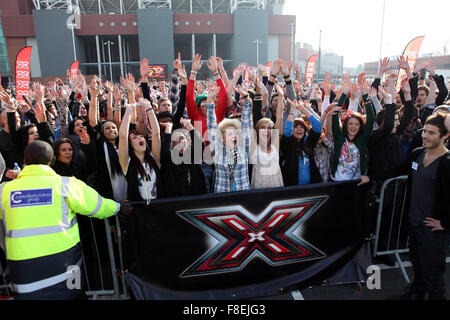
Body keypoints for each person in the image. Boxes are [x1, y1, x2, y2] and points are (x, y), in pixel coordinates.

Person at [0, 140, 132, 300]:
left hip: (24, 275)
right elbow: (98, 206)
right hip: (67, 266)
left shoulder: (4, 191)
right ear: (52, 160)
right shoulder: (66, 185)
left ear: (25, 161)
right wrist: (118, 207)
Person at [385, 112, 450, 300]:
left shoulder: (447, 163)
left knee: (434, 277)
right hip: (413, 224)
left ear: (445, 136)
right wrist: (370, 176)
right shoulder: (417, 154)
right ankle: (417, 292)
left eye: (431, 133)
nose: (425, 136)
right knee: (417, 265)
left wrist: (445, 223)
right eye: (424, 131)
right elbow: (395, 171)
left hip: (433, 231)